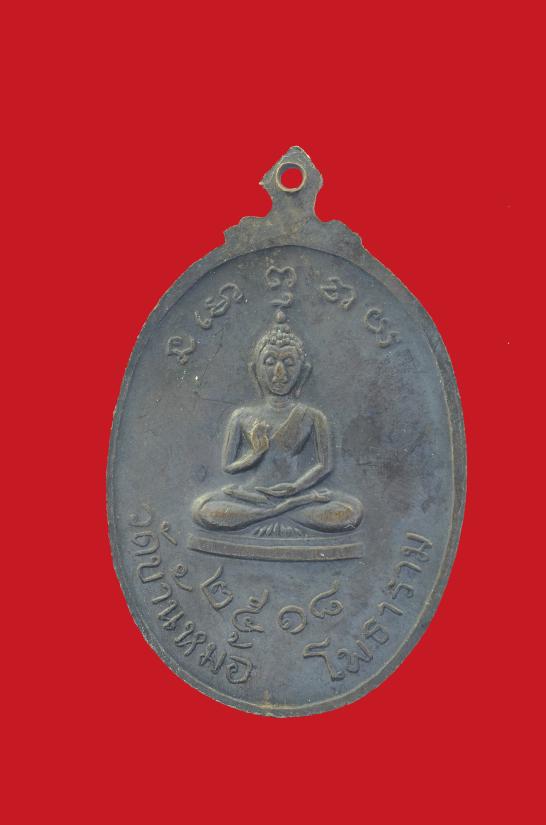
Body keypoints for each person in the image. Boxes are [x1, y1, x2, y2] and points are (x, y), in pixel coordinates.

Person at [192, 316, 363, 533]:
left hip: (299, 495)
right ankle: (279, 512)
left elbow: (325, 465)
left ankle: (271, 513)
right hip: (252, 495)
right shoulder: (242, 416)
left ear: (303, 371)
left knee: (350, 511)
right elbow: (228, 467)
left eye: (289, 363)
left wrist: (296, 488)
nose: (279, 373)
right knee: (203, 509)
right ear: (255, 370)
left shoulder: (313, 416)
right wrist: (254, 454)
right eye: (270, 362)